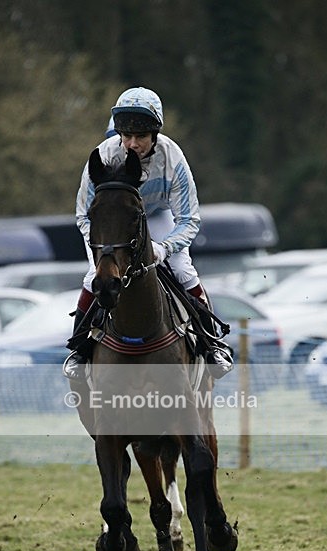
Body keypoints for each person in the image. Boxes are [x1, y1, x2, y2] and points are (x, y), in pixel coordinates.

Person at [64, 86, 233, 380]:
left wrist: (164, 248)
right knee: (94, 278)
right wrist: (104, 248)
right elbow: (84, 215)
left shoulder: (172, 157)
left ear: (154, 134)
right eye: (125, 136)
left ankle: (211, 344)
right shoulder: (103, 155)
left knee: (183, 270)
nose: (131, 144)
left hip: (157, 217)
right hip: (114, 225)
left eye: (140, 136)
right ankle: (79, 349)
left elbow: (189, 219)